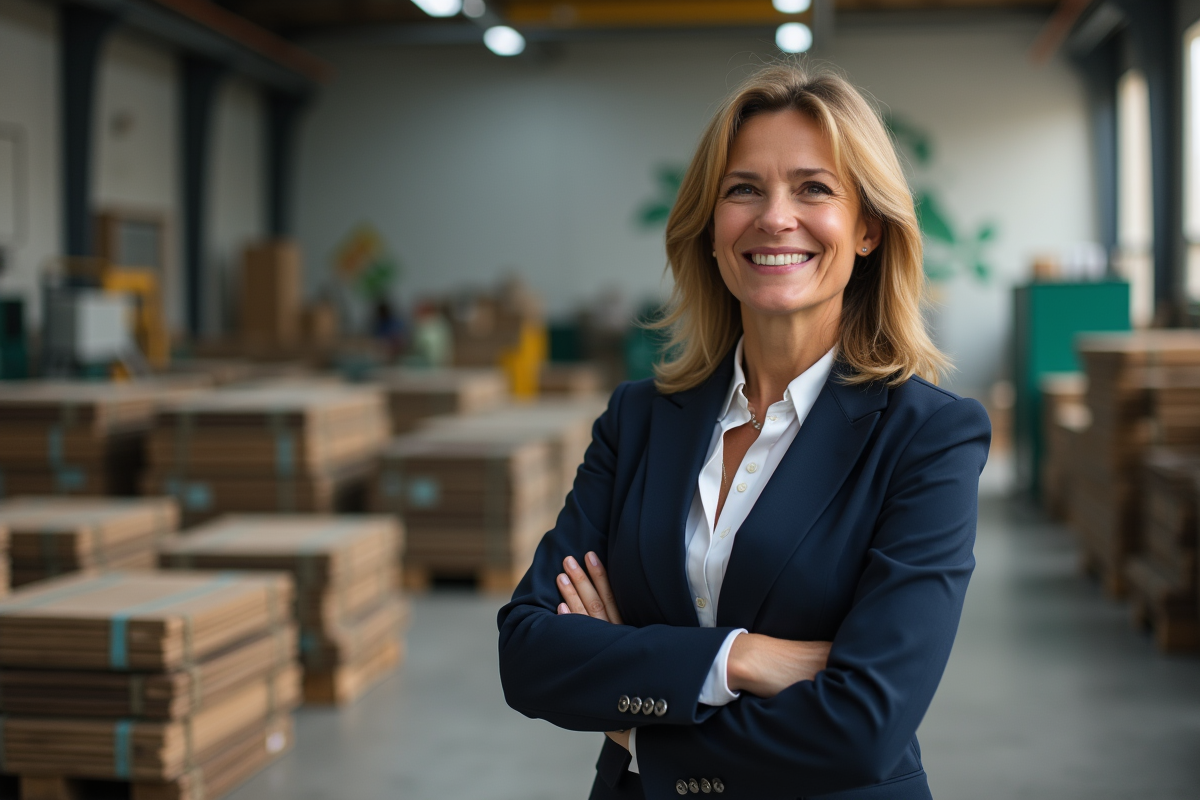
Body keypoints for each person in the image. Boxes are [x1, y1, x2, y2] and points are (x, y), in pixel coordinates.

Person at [497, 63, 990, 800]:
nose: (775, 218)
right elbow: (529, 653)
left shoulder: (929, 438)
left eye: (813, 188)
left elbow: (864, 724)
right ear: (710, 226)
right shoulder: (637, 421)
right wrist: (739, 659)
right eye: (743, 190)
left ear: (867, 229)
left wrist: (638, 714)